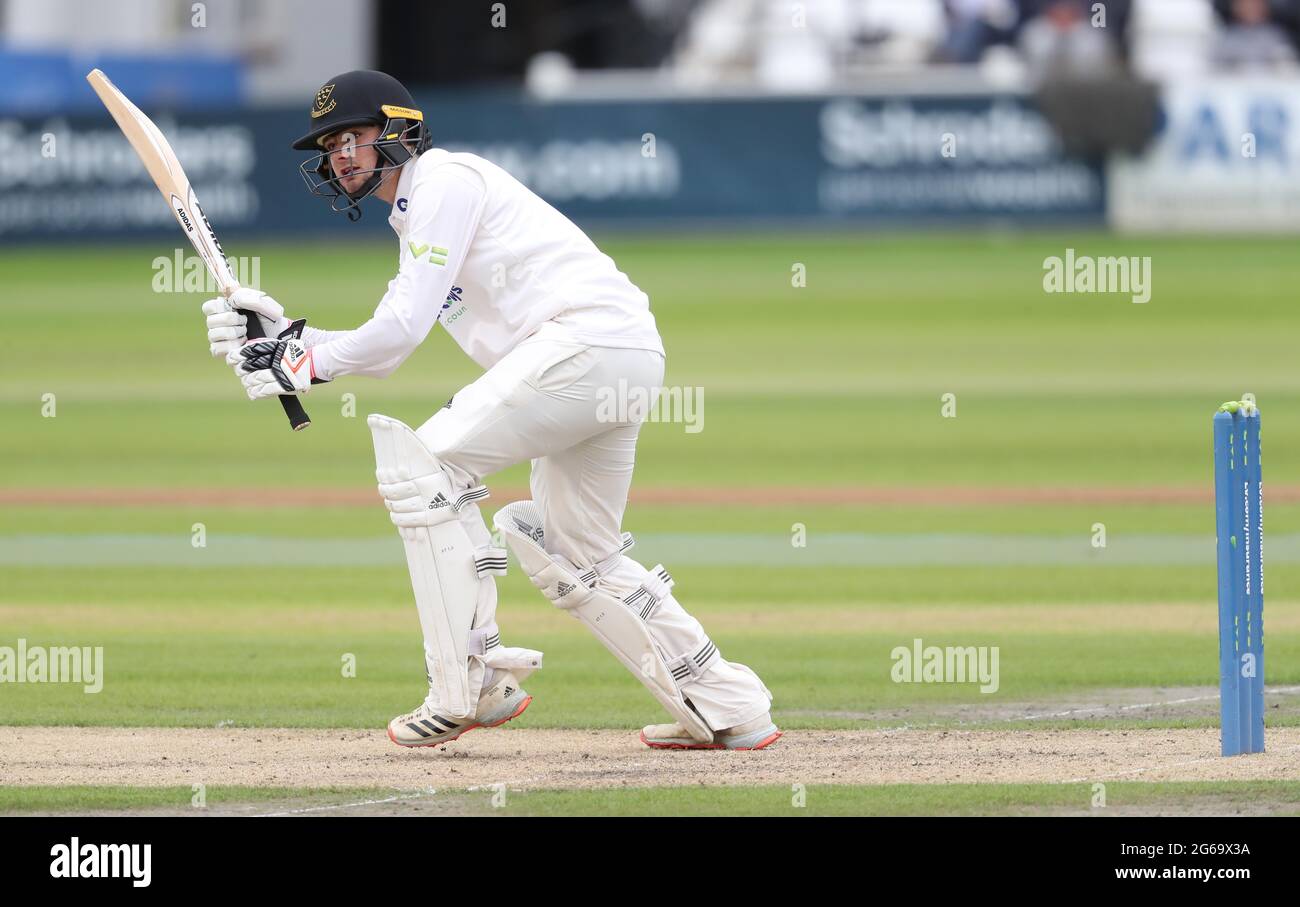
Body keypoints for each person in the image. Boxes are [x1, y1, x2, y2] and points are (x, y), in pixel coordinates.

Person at [202, 70, 780, 751]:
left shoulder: (443, 181)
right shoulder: (420, 212)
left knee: (426, 467)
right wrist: (286, 340)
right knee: (578, 552)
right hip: (615, 353)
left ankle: (467, 685)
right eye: (330, 147)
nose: (341, 157)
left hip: (586, 343)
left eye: (352, 138)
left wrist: (302, 361)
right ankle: (730, 703)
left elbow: (403, 327)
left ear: (395, 130)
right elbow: (388, 340)